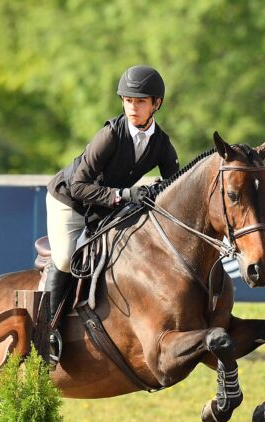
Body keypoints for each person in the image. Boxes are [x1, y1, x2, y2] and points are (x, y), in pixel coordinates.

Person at [44, 64, 180, 359]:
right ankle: (48, 330)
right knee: (68, 257)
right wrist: (124, 195)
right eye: (128, 100)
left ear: (156, 104)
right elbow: (79, 185)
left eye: (140, 101)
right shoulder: (110, 135)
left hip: (105, 205)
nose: (133, 107)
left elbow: (175, 185)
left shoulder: (161, 144)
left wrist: (157, 192)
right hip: (70, 200)